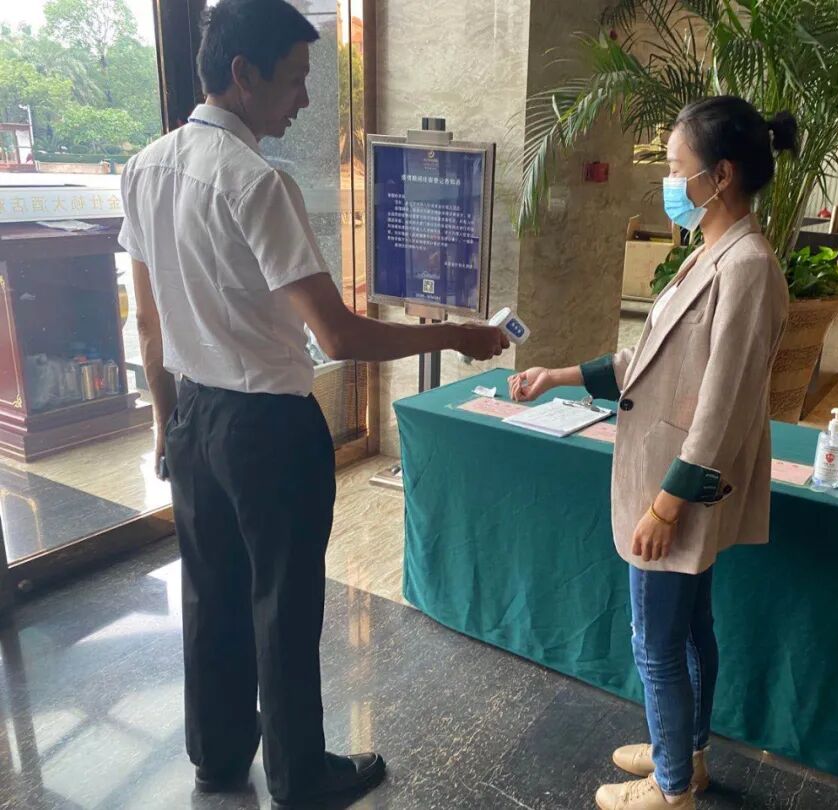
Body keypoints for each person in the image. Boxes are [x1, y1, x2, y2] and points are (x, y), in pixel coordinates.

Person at [118, 0, 507, 806]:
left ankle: (217, 754)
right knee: (283, 605)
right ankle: (300, 779)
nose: (303, 99)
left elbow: (147, 322)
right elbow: (336, 334)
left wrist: (165, 421)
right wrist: (457, 336)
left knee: (210, 592)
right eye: (295, 79)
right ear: (243, 73)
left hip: (194, 417)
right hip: (266, 426)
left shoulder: (144, 167)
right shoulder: (258, 182)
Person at [510, 96, 796, 810]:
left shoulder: (746, 266)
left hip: (678, 486)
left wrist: (667, 505)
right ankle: (685, 756)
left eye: (675, 166)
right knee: (689, 630)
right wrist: (560, 375)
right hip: (671, 478)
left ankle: (671, 790)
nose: (668, 181)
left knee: (657, 642)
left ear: (720, 175)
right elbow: (652, 362)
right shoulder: (711, 252)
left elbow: (725, 405)